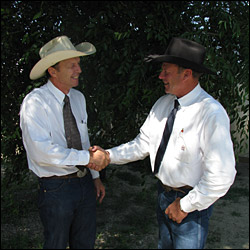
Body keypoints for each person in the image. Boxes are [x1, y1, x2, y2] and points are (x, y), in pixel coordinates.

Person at [91, 37, 237, 249]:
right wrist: (108, 156)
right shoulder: (163, 104)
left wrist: (185, 205)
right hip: (164, 195)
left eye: (166, 71)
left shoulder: (211, 113)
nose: (160, 76)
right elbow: (142, 144)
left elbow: (222, 176)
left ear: (186, 73)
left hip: (190, 205)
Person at [19, 36, 110, 249]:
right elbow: (42, 151)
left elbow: (84, 138)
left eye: (78, 64)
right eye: (72, 65)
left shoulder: (78, 98)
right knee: (56, 244)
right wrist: (88, 158)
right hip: (55, 187)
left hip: (84, 183)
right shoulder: (35, 102)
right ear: (52, 71)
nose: (79, 70)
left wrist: (95, 176)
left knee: (85, 243)